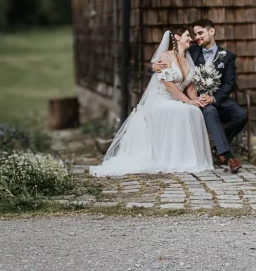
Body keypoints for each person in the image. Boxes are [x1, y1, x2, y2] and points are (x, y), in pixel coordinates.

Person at [91, 26, 213, 176]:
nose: (191, 39)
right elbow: (169, 85)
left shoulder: (188, 59)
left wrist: (197, 101)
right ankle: (174, 159)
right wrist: (188, 102)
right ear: (176, 37)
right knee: (182, 109)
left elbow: (190, 88)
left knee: (194, 111)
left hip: (177, 99)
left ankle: (190, 158)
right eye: (187, 35)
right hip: (160, 99)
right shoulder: (165, 57)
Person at [153, 19, 248, 174]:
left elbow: (229, 84)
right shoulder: (191, 51)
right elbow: (171, 60)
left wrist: (214, 98)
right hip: (200, 100)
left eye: (200, 33)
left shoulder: (227, 56)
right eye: (195, 34)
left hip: (219, 100)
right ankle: (229, 156)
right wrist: (153, 67)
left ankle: (218, 148)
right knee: (210, 112)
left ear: (212, 31)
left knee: (241, 115)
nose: (196, 37)